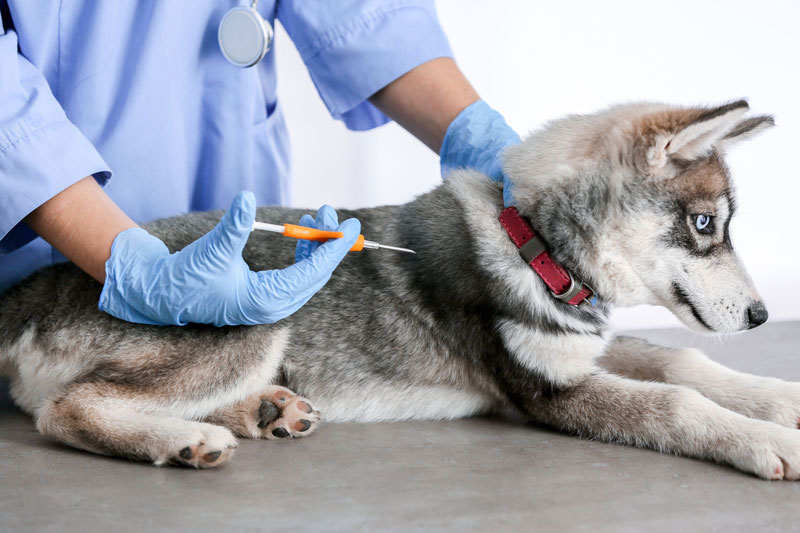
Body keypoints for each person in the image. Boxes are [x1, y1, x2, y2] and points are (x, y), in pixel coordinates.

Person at [0, 1, 519, 326]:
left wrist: (471, 132)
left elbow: (365, 13)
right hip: (45, 230)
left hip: (226, 175)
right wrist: (135, 268)